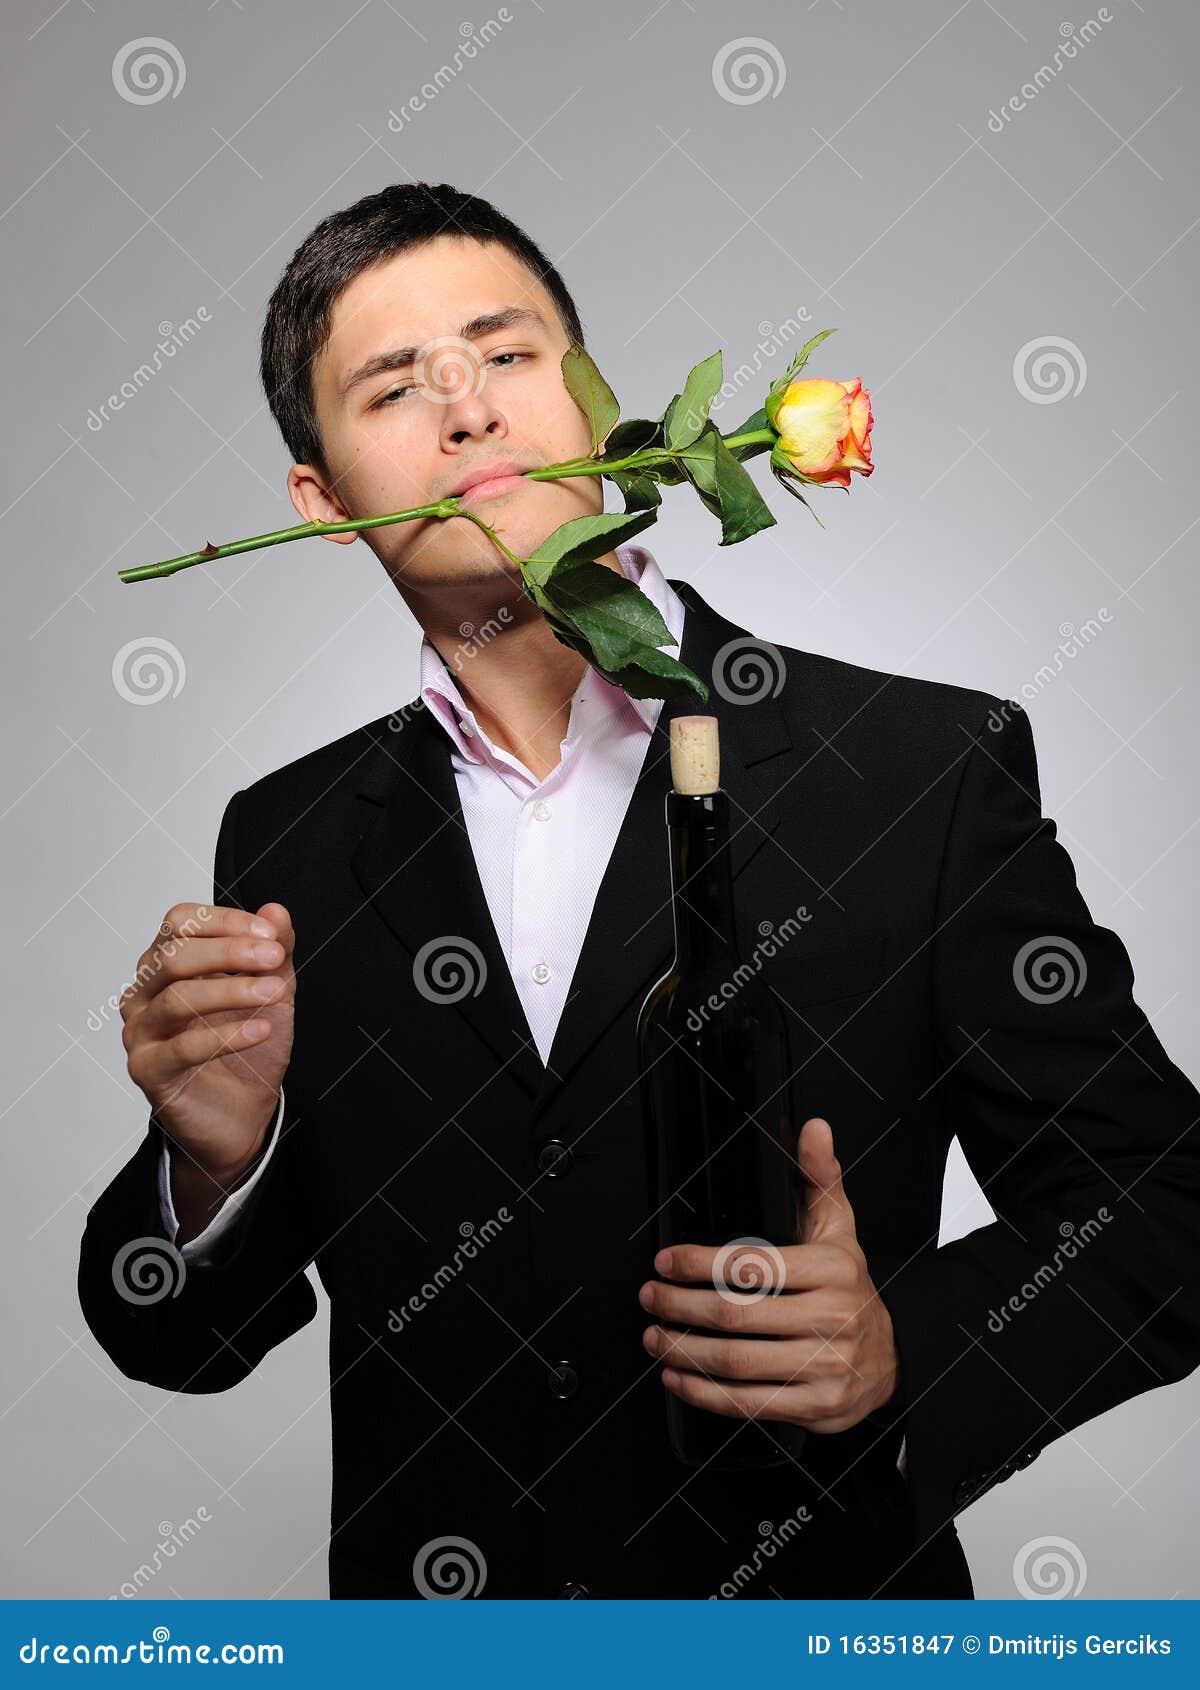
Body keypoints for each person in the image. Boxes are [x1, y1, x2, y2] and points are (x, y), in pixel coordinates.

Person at [78, 182, 1200, 1600]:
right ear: (322, 503)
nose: (468, 411)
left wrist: (905, 1347)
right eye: (392, 388)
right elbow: (176, 1336)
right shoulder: (290, 840)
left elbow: (1164, 1204)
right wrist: (210, 1166)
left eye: (505, 352)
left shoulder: (916, 773)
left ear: (600, 405)